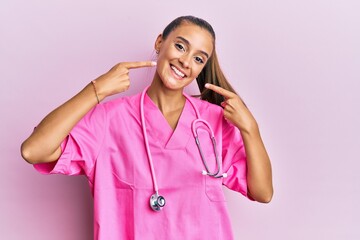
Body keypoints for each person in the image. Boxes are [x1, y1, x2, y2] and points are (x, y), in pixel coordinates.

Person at [21, 15, 273, 240]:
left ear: (201, 68)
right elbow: (34, 151)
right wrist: (96, 90)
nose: (186, 62)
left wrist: (251, 128)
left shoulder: (212, 122)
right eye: (180, 46)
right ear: (159, 42)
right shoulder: (110, 119)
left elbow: (262, 192)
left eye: (198, 58)